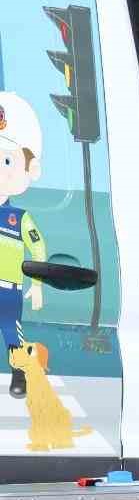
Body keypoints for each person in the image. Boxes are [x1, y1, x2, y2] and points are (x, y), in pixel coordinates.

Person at [0, 93, 48, 399]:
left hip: (9, 289)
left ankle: (19, 372)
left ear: (31, 171)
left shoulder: (20, 218)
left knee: (11, 332)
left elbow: (38, 248)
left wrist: (39, 284)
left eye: (7, 160)